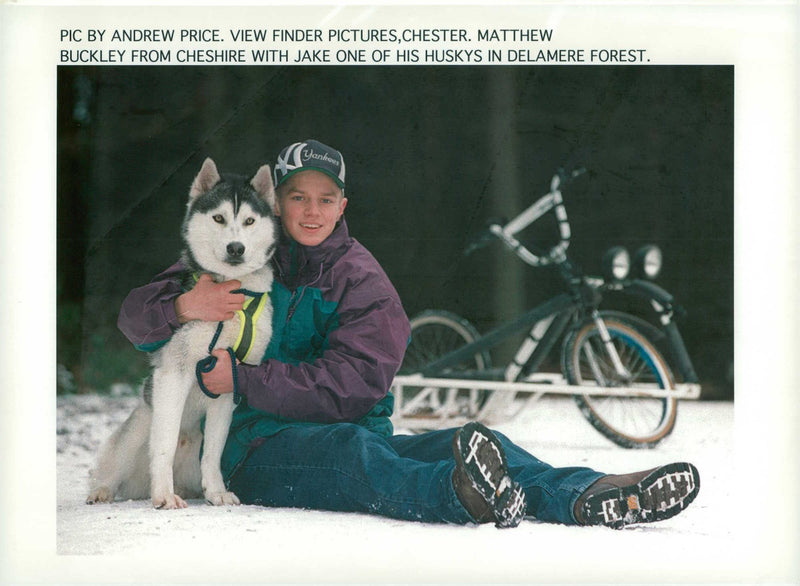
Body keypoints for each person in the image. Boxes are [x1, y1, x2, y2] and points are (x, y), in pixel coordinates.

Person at [118, 139, 700, 528]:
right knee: (355, 454)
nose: (311, 211)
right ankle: (463, 496)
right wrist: (185, 304)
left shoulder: (362, 280)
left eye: (325, 199)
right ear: (276, 205)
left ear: (343, 205)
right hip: (254, 448)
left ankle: (586, 493)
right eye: (297, 198)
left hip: (350, 427)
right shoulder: (240, 255)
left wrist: (244, 377)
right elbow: (136, 318)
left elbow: (355, 386)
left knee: (461, 436)